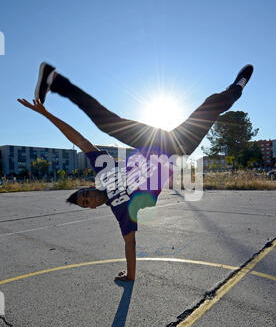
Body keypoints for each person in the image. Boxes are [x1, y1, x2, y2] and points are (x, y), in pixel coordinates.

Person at [18, 63, 253, 281]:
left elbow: (80, 140)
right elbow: (130, 244)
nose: (87, 198)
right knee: (210, 107)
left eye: (84, 194)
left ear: (89, 188)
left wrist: (46, 115)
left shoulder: (105, 172)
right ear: (90, 207)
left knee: (106, 122)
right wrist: (130, 276)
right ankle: (238, 88)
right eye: (85, 202)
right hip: (176, 151)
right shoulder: (122, 211)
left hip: (151, 141)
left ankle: (54, 79)